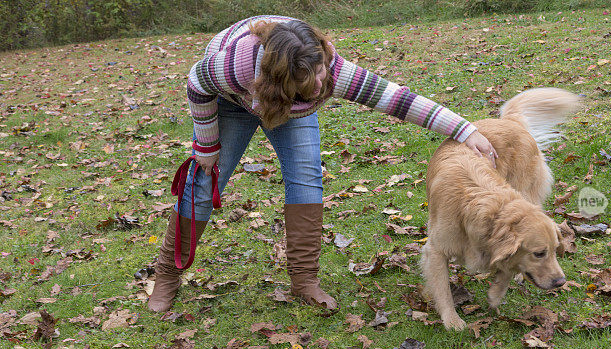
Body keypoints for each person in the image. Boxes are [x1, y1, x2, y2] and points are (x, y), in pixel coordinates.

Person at [148, 16, 498, 313]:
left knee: (305, 177)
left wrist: (464, 129)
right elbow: (197, 82)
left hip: (285, 102)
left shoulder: (327, 66)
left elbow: (395, 99)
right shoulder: (234, 67)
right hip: (229, 101)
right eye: (311, 79)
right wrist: (205, 145)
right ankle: (167, 273)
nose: (321, 85)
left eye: (321, 72)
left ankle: (305, 281)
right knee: (204, 183)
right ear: (283, 81)